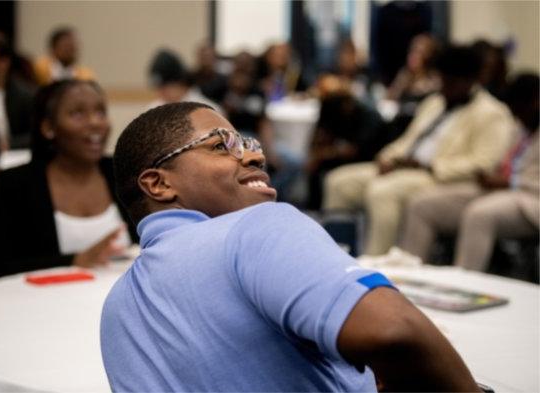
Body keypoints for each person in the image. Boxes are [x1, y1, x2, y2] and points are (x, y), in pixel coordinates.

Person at [100, 101, 479, 391]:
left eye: (246, 142)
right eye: (221, 145)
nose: (254, 155)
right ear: (159, 184)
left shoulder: (116, 309)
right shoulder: (257, 227)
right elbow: (395, 331)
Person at [323, 45, 514, 255]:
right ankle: (335, 256)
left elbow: (484, 163)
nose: (444, 88)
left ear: (470, 81)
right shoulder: (435, 102)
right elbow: (408, 140)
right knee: (338, 182)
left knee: (383, 192)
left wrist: (428, 166)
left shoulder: (492, 113)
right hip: (404, 167)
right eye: (442, 80)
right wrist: (388, 158)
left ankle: (376, 268)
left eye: (450, 83)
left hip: (440, 177)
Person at [0, 80, 136, 278]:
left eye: (101, 112)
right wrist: (73, 261)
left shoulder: (124, 172)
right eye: (77, 114)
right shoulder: (17, 184)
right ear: (49, 128)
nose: (95, 122)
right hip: (43, 303)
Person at [400, 73, 539, 271]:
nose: (518, 116)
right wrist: (490, 175)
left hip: (531, 198)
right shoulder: (519, 127)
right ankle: (408, 275)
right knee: (422, 204)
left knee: (479, 215)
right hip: (501, 190)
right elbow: (499, 160)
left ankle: (464, 282)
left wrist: (510, 182)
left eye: (523, 108)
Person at [145, 49, 222, 113]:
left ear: (180, 82)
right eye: (158, 88)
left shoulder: (208, 110)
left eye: (164, 87)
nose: (160, 92)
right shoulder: (153, 109)